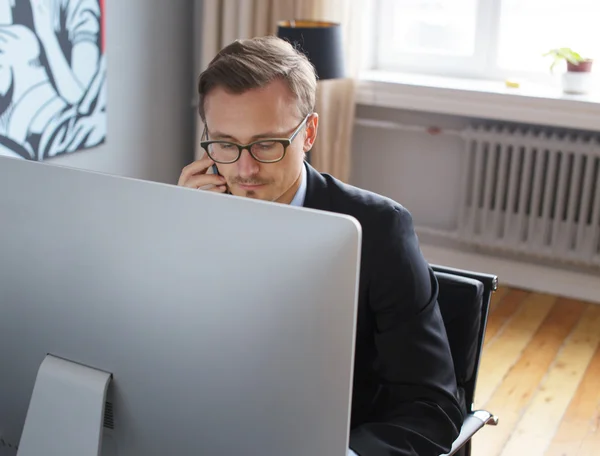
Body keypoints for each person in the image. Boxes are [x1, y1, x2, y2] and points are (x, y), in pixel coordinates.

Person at [178, 35, 464, 456]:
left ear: (308, 133)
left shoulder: (381, 230)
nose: (244, 168)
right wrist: (182, 234)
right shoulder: (189, 215)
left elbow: (431, 408)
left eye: (266, 144)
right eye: (224, 143)